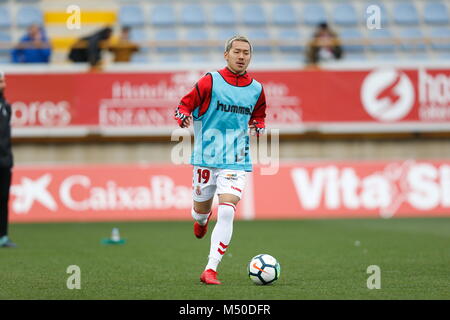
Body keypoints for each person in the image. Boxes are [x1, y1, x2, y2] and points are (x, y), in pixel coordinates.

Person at [174, 35, 267, 285]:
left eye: (246, 53)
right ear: (226, 54)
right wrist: (182, 115)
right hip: (206, 158)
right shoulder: (210, 81)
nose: (241, 56)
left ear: (250, 57)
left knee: (227, 211)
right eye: (236, 52)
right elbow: (185, 104)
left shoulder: (257, 89)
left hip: (236, 159)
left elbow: (259, 115)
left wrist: (258, 125)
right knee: (200, 212)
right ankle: (201, 221)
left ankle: (210, 269)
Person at [0, 71, 16, 248]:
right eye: (0, 81)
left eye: (3, 80)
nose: (3, 83)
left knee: (3, 199)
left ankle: (3, 236)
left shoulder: (6, 106)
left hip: (4, 161)